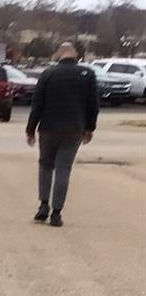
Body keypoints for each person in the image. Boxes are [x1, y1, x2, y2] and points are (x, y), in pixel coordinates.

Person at [25, 43, 98, 228]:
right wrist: (90, 128)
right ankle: (56, 213)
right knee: (63, 169)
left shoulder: (48, 74)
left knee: (45, 166)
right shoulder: (87, 75)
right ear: (76, 56)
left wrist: (30, 129)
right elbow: (93, 105)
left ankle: (43, 205)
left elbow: (37, 104)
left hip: (48, 128)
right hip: (74, 129)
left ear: (59, 55)